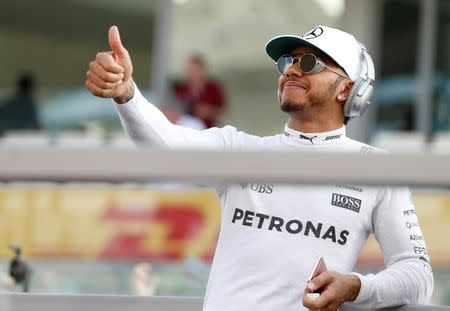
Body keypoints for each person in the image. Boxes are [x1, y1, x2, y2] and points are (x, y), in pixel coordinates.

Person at [86, 25, 434, 311]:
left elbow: (418, 276)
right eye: (288, 62)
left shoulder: (375, 168)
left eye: (310, 62)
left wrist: (357, 286)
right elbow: (163, 146)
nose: (293, 70)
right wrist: (127, 94)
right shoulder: (239, 148)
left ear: (348, 89)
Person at [172, 54, 226, 128]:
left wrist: (208, 111)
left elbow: (223, 111)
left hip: (208, 130)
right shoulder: (180, 88)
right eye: (189, 70)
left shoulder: (213, 88)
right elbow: (171, 109)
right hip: (185, 128)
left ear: (202, 69)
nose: (191, 73)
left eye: (194, 70)